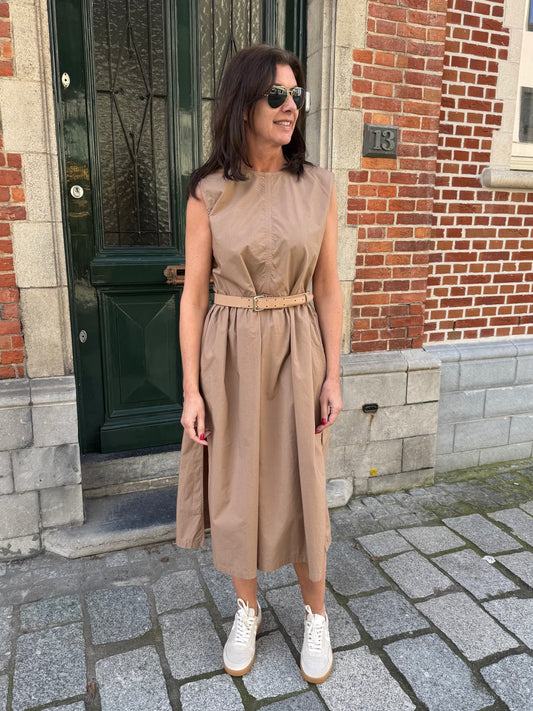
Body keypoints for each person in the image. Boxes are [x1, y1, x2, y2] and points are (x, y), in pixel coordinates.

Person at [176, 43, 343, 684]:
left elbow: (328, 287)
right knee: (236, 483)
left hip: (299, 348)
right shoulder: (208, 194)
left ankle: (316, 614)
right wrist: (191, 392)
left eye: (296, 95)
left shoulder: (318, 186)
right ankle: (247, 609)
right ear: (243, 103)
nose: (290, 106)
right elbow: (194, 297)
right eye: (277, 95)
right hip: (230, 354)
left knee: (303, 483)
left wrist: (333, 375)